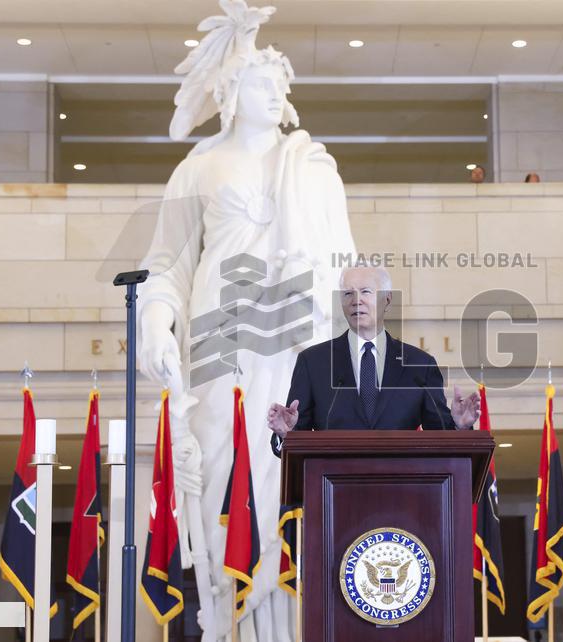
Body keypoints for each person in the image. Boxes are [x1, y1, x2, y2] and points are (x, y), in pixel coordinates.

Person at [136, 1, 355, 638]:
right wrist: (155, 322)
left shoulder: (313, 166)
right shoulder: (198, 167)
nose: (277, 91)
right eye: (263, 81)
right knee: (217, 472)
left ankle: (286, 621)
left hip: (295, 337)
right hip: (220, 335)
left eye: (281, 83)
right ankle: (222, 620)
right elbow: (165, 265)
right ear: (230, 92)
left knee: (287, 468)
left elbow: (346, 264)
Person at [267, 266, 480, 452]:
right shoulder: (313, 362)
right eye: (348, 293)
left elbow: (440, 435)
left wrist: (459, 427)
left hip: (402, 490)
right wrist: (286, 434)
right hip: (332, 489)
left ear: (386, 299)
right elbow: (295, 438)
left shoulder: (420, 365)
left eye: (366, 292)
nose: (355, 300)